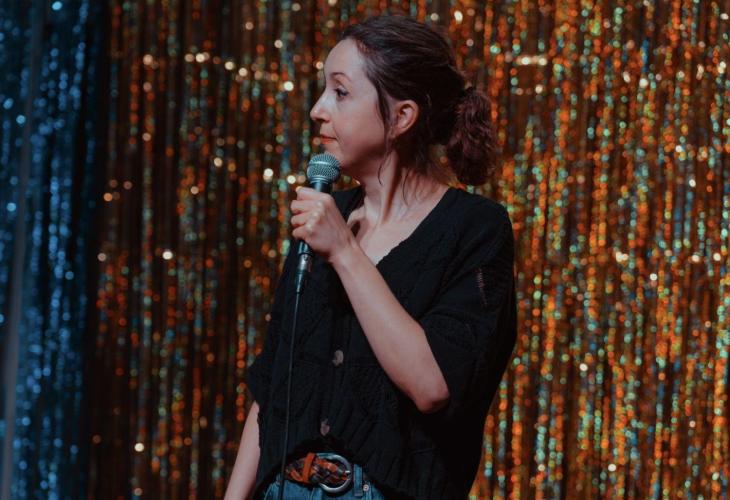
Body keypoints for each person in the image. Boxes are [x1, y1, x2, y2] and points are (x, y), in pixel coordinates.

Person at [224, 14, 517, 500]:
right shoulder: (326, 214)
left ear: (402, 117)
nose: (318, 110)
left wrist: (344, 249)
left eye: (340, 92)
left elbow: (431, 385)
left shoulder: (475, 228)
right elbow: (274, 387)